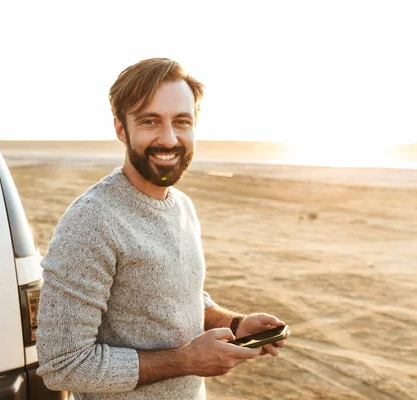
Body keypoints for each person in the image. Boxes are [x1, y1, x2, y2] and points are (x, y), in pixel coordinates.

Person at [36, 58, 290, 399]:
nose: (169, 139)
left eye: (181, 122)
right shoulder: (91, 222)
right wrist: (187, 361)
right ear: (120, 129)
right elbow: (62, 364)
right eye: (150, 121)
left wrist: (235, 324)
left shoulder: (182, 206)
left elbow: (176, 299)